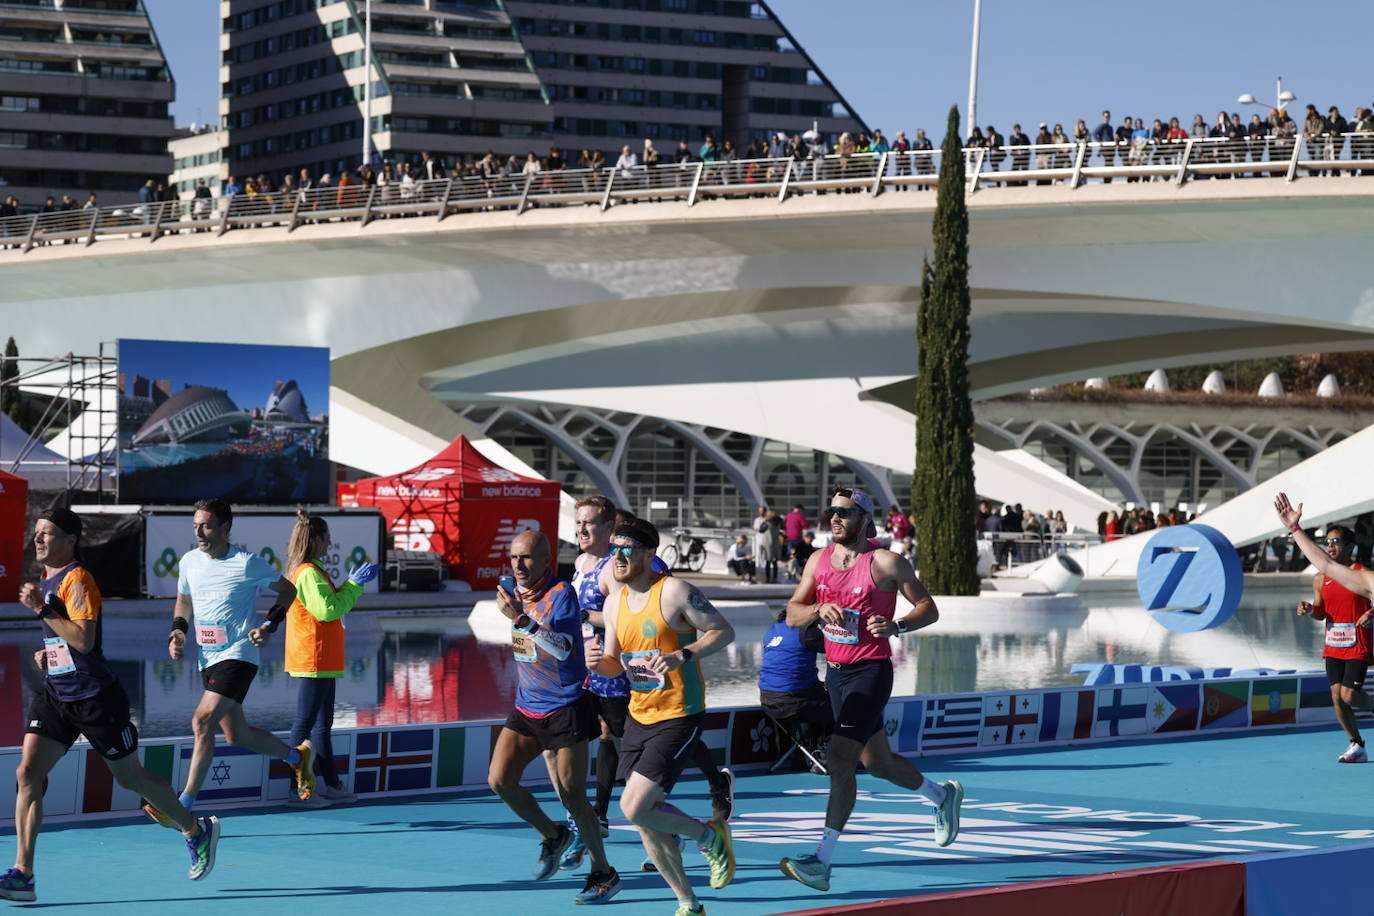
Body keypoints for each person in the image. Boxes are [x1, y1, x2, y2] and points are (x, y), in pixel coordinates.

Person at [2, 509, 220, 903]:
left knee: (130, 778)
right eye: (36, 533)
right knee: (28, 772)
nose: (37, 540)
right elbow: (66, 642)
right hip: (55, 694)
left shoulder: (78, 579)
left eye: (46, 534)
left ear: (70, 540)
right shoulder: (46, 578)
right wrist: (48, 655)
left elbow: (84, 640)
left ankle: (194, 829)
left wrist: (40, 610)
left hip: (96, 699)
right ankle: (24, 874)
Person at [778, 487, 961, 893]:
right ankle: (941, 795)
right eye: (831, 511)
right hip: (837, 674)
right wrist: (815, 609)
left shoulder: (886, 562)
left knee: (841, 759)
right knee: (877, 762)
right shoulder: (817, 561)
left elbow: (928, 608)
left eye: (844, 512)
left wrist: (898, 626)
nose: (835, 519)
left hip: (871, 671)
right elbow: (792, 613)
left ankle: (821, 862)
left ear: (864, 518)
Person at [585, 518, 736, 916]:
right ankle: (689, 903)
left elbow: (724, 631)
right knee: (646, 820)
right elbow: (616, 665)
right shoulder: (614, 601)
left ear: (649, 554)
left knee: (634, 807)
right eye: (613, 549)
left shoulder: (673, 591)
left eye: (626, 549)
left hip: (679, 714)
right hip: (639, 715)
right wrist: (597, 664)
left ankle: (709, 835)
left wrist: (680, 655)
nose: (616, 556)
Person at [143, 498, 316, 828]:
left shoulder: (247, 563)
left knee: (202, 721)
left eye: (206, 525)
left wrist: (269, 625)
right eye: (195, 525)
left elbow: (288, 591)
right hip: (208, 658)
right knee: (238, 735)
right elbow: (183, 599)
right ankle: (298, 757)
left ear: (225, 528)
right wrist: (178, 631)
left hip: (239, 655)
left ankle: (182, 805)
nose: (199, 532)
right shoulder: (190, 561)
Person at [489, 529, 623, 905]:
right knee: (499, 780)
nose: (519, 565)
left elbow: (564, 649)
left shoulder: (561, 594)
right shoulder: (515, 594)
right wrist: (518, 617)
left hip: (566, 707)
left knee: (572, 794)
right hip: (527, 705)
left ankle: (603, 872)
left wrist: (521, 619)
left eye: (527, 557)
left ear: (547, 561)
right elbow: (527, 647)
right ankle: (553, 836)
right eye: (514, 557)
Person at [275, 510, 379, 806]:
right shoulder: (307, 572)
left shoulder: (312, 570)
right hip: (313, 658)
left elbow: (329, 607)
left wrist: (349, 586)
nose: (330, 545)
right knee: (303, 725)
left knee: (321, 727)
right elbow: (328, 610)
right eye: (328, 540)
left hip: (322, 659)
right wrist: (354, 585)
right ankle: (297, 789)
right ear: (317, 540)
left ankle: (331, 783)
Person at [1291, 522, 1374, 762]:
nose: (1330, 546)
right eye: (1327, 542)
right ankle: (1356, 745)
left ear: (1349, 547)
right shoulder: (1320, 578)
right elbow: (1321, 613)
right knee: (1336, 697)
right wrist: (1309, 609)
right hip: (1333, 645)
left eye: (1336, 542)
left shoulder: (1362, 574)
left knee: (1348, 695)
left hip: (1357, 644)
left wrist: (1370, 614)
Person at [758, 609, 831, 773]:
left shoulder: (772, 631)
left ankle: (800, 757)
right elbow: (839, 648)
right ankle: (825, 756)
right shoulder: (807, 631)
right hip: (795, 701)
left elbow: (786, 667)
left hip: (768, 701)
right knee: (842, 705)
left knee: (812, 700)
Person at [753, 505, 777, 584]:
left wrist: (765, 521)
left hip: (768, 543)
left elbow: (760, 530)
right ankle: (773, 578)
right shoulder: (777, 522)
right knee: (773, 561)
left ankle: (769, 578)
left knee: (768, 561)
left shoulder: (768, 522)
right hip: (773, 543)